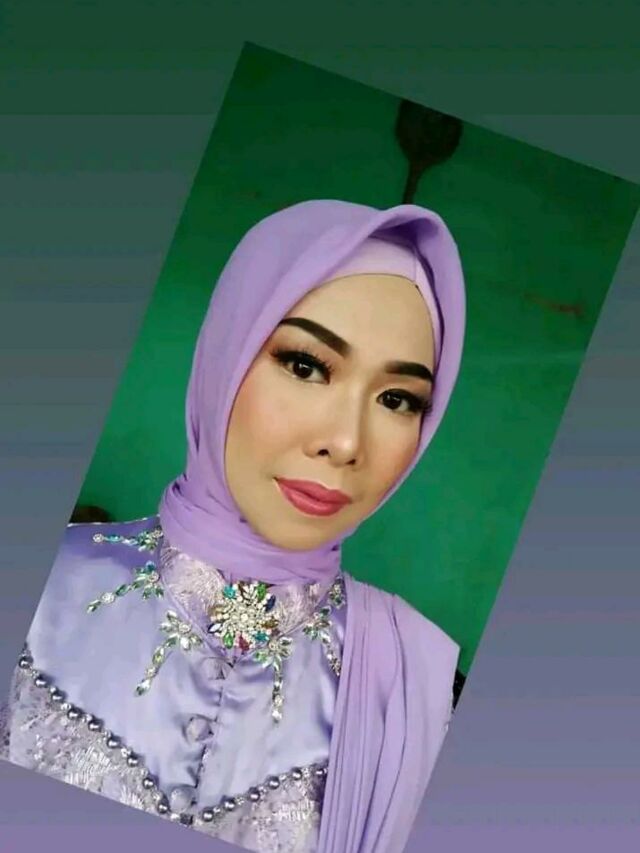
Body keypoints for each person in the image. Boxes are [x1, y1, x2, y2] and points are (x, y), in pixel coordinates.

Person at [0, 199, 466, 853]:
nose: (345, 441)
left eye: (398, 399)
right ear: (226, 352)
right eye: (305, 365)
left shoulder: (420, 690)